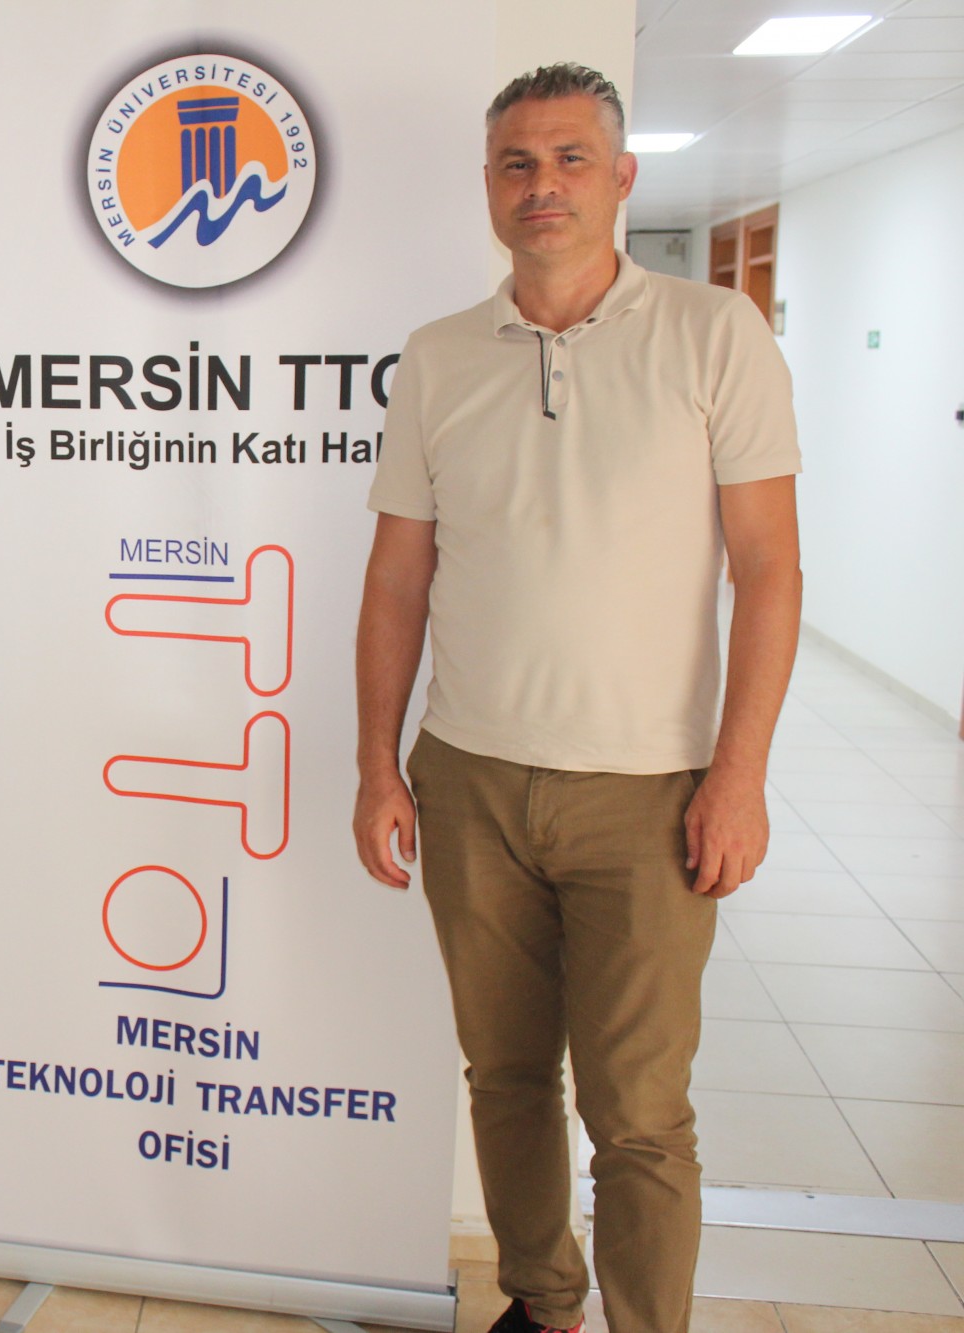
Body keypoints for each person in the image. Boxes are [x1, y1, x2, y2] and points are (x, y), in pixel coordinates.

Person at [352, 64, 802, 1333]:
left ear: (619, 177)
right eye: (514, 163)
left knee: (638, 1113)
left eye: (566, 159)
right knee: (503, 1076)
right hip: (469, 776)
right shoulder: (437, 357)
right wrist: (378, 763)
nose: (539, 184)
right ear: (487, 185)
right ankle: (541, 1305)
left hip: (648, 790)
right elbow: (395, 578)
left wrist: (737, 777)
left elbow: (768, 569)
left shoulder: (715, 334)